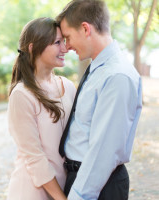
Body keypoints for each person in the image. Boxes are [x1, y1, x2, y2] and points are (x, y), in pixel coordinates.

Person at [56, 0, 143, 200]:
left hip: (97, 187)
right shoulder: (99, 69)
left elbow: (104, 151)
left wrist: (78, 195)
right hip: (82, 180)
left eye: (68, 37)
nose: (67, 46)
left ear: (86, 29)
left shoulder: (116, 76)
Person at [7, 17, 76, 200]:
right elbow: (34, 158)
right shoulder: (22, 95)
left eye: (64, 41)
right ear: (33, 47)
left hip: (66, 188)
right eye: (57, 42)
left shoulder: (68, 86)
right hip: (33, 192)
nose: (65, 48)